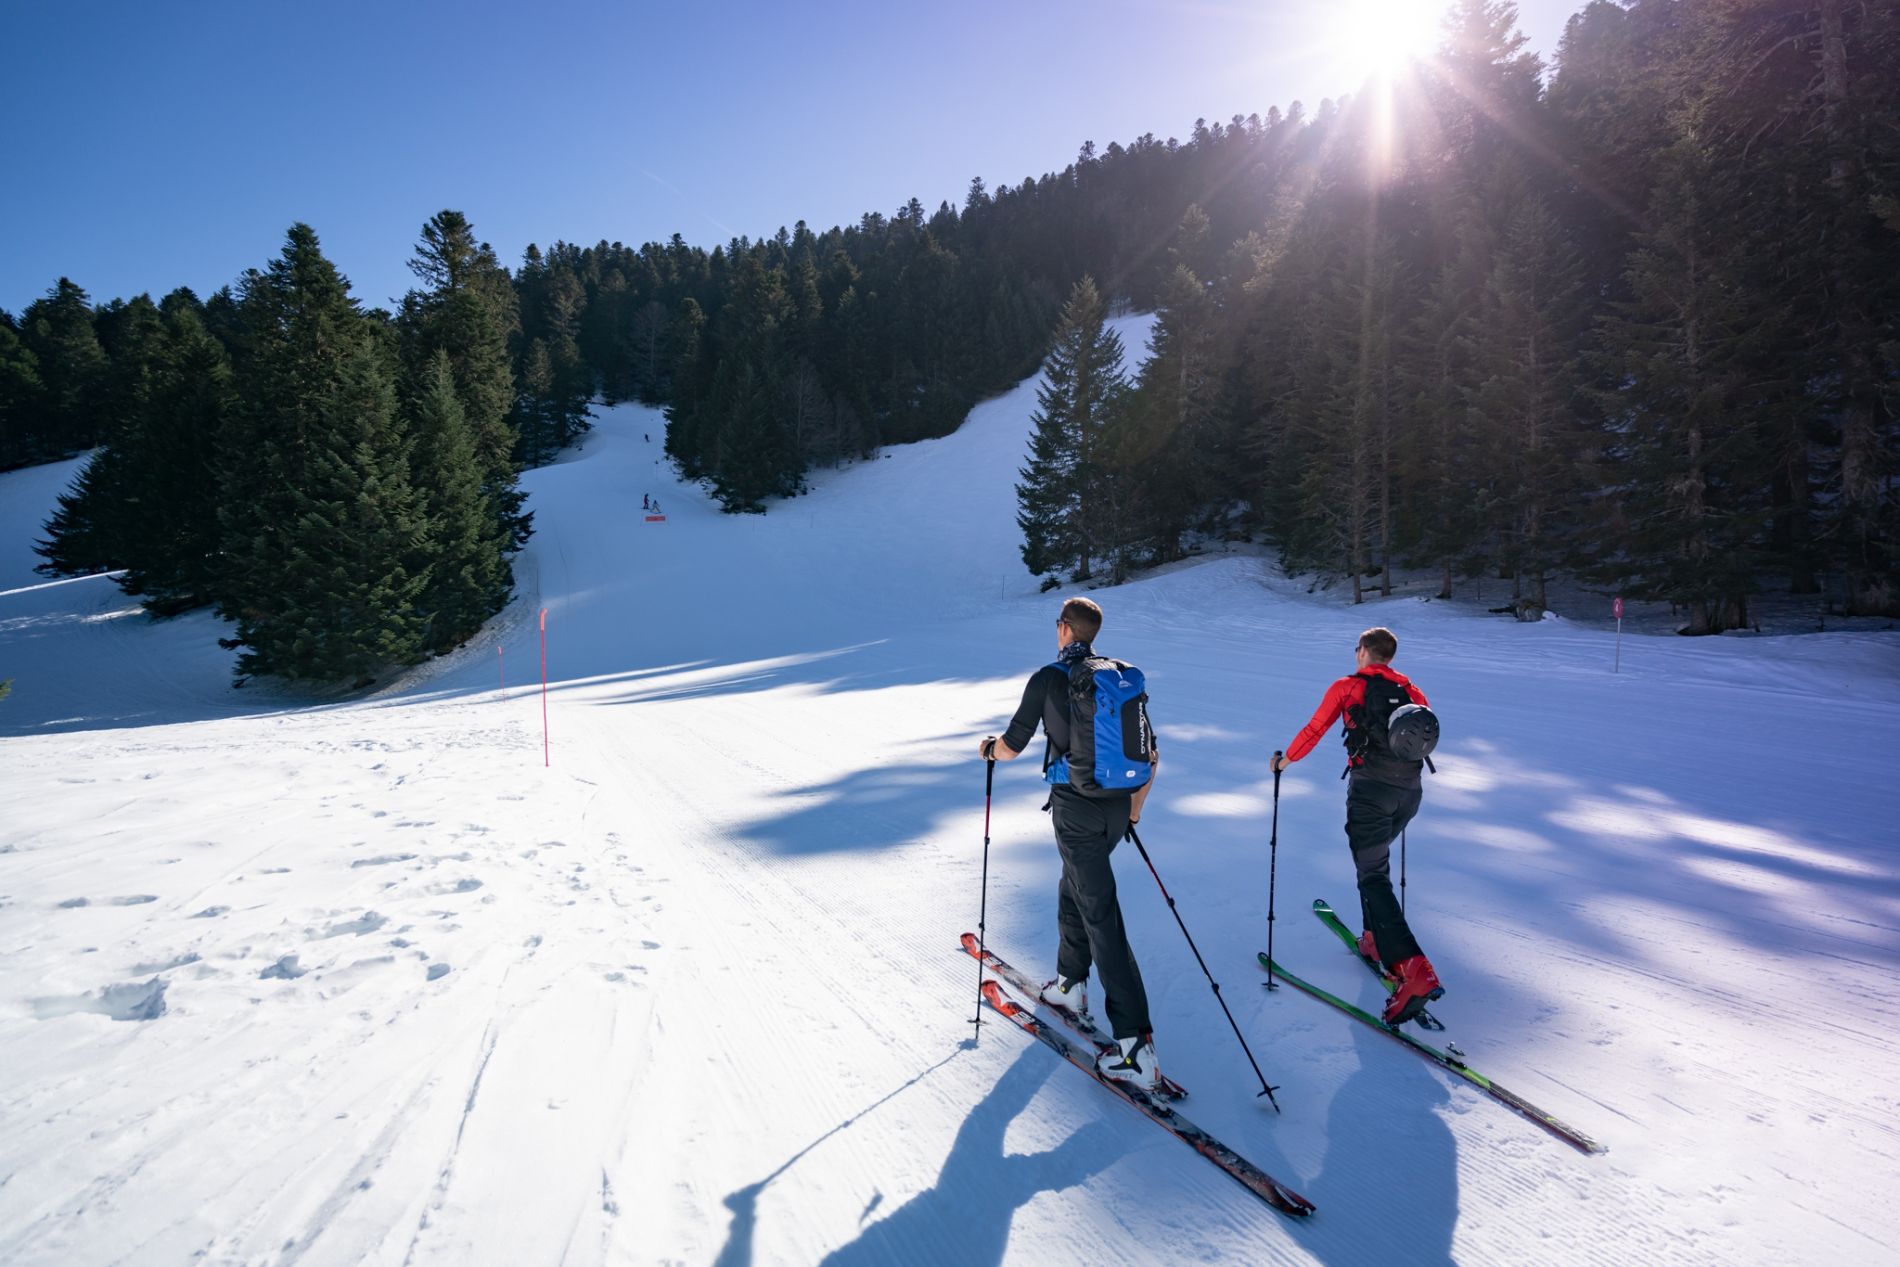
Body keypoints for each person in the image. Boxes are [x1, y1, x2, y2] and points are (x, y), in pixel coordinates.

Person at [979, 597, 1161, 1088]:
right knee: (1074, 886)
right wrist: (1133, 810)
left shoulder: (1049, 678)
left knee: (1102, 916)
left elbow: (1012, 747)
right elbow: (1152, 753)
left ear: (1064, 630)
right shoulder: (1117, 679)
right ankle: (1069, 984)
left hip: (1075, 810)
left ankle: (1136, 1049)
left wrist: (987, 750)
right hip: (1116, 808)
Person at [1273, 626, 1443, 1024]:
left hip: (1370, 794)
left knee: (1372, 874)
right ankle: (1373, 940)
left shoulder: (1348, 687)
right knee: (1374, 866)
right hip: (1409, 794)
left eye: (1357, 649)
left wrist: (1284, 763)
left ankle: (1412, 966)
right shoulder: (1414, 692)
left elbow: (1316, 728)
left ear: (1365, 651)